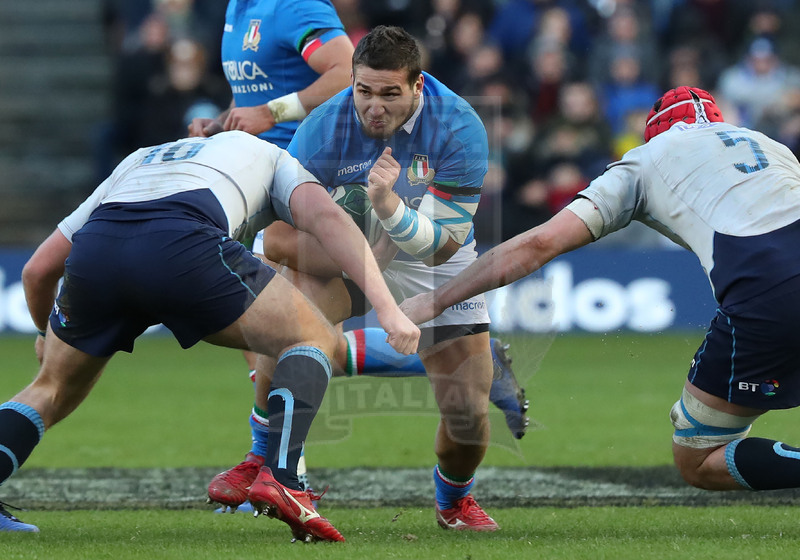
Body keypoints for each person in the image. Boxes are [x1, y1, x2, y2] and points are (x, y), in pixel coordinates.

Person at [0, 130, 420, 539]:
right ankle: (283, 478)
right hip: (183, 242)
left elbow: (37, 271)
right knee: (312, 340)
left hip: (98, 253)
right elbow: (328, 219)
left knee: (50, 388)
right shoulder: (269, 154)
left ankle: (266, 463)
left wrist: (45, 332)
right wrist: (386, 307)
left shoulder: (140, 159)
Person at [401, 85, 800, 496]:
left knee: (699, 456)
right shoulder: (769, 145)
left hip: (768, 292)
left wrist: (436, 299)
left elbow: (539, 244)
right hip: (772, 283)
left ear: (654, 131)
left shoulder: (643, 161)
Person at [210, 25, 506, 532]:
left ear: (417, 86)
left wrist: (387, 208)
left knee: (468, 416)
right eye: (363, 91)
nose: (374, 106)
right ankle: (263, 459)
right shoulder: (322, 129)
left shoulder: (458, 124)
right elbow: (279, 238)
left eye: (390, 94)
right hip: (347, 253)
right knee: (281, 311)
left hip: (430, 256)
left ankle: (453, 500)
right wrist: (360, 251)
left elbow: (444, 245)